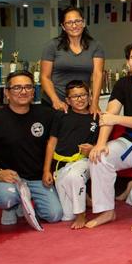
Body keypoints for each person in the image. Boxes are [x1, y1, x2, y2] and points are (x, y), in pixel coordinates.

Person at [0, 70, 62, 228]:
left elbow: (58, 137)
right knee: (7, 198)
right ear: (7, 93)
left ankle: (26, 205)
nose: (23, 91)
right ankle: (12, 205)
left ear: (33, 92)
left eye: (28, 87)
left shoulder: (46, 115)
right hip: (9, 179)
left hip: (37, 178)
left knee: (55, 214)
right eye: (17, 88)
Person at [85, 40, 132, 228]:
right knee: (99, 157)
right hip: (129, 141)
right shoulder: (123, 84)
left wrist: (117, 119)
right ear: (128, 62)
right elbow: (109, 115)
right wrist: (101, 143)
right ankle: (106, 211)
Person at [42, 80, 97, 229]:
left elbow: (103, 145)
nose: (80, 99)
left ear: (89, 96)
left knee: (74, 176)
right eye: (75, 96)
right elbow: (51, 143)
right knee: (66, 216)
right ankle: (83, 198)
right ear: (67, 100)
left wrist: (92, 148)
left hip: (83, 162)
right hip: (61, 165)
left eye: (83, 95)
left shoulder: (95, 117)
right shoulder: (61, 115)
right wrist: (46, 170)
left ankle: (81, 214)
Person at [40, 6, 105, 115]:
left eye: (77, 21)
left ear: (83, 23)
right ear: (63, 26)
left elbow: (97, 74)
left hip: (81, 105)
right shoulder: (52, 45)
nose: (74, 26)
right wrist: (55, 100)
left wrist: (94, 102)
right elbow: (44, 77)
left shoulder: (96, 46)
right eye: (69, 23)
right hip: (54, 103)